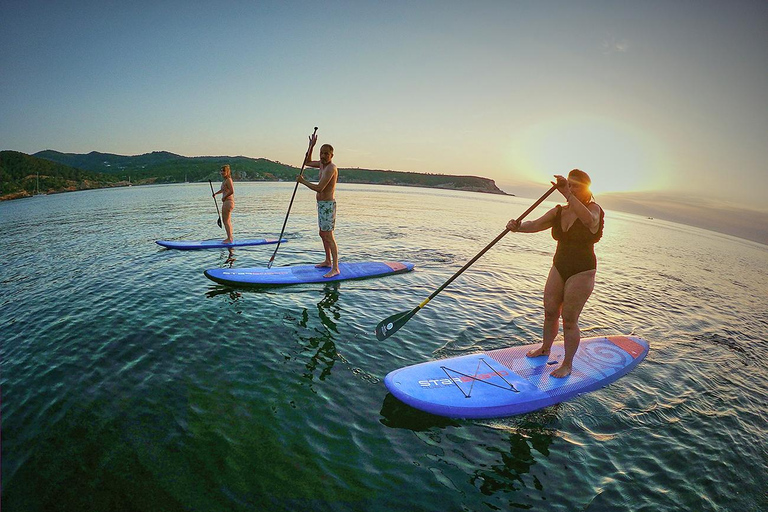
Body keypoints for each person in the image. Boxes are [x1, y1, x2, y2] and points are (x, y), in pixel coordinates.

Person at [506, 169, 604, 378]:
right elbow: (535, 224)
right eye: (569, 185)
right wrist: (517, 227)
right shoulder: (559, 211)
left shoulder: (594, 209)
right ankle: (545, 348)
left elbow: (589, 221)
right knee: (550, 311)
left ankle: (567, 364)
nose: (571, 188)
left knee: (569, 319)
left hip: (582, 270)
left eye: (575, 185)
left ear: (587, 189)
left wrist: (568, 193)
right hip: (559, 265)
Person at [297, 134, 339, 278]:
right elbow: (307, 161)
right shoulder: (321, 164)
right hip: (321, 205)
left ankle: (335, 268)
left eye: (326, 153)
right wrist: (311, 146)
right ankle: (327, 261)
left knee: (329, 235)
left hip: (327, 205)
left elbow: (320, 188)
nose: (323, 156)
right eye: (321, 153)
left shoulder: (331, 168)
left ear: (331, 155)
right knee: (322, 233)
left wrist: (303, 181)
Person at [212, 164, 235, 243]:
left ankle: (229, 239)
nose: (222, 172)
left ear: (227, 172)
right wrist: (216, 193)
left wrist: (224, 197)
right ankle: (230, 237)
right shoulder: (225, 181)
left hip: (228, 201)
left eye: (224, 171)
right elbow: (223, 190)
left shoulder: (228, 180)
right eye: (221, 171)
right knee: (227, 221)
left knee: (226, 221)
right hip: (227, 202)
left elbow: (232, 191)